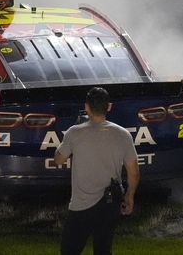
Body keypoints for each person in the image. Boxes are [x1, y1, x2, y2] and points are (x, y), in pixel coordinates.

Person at [54, 87, 140, 255]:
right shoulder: (123, 135)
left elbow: (59, 159)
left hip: (81, 206)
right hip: (110, 203)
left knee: (69, 250)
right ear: (109, 107)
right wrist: (130, 196)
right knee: (103, 249)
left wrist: (65, 143)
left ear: (86, 107)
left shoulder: (74, 132)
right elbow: (134, 172)